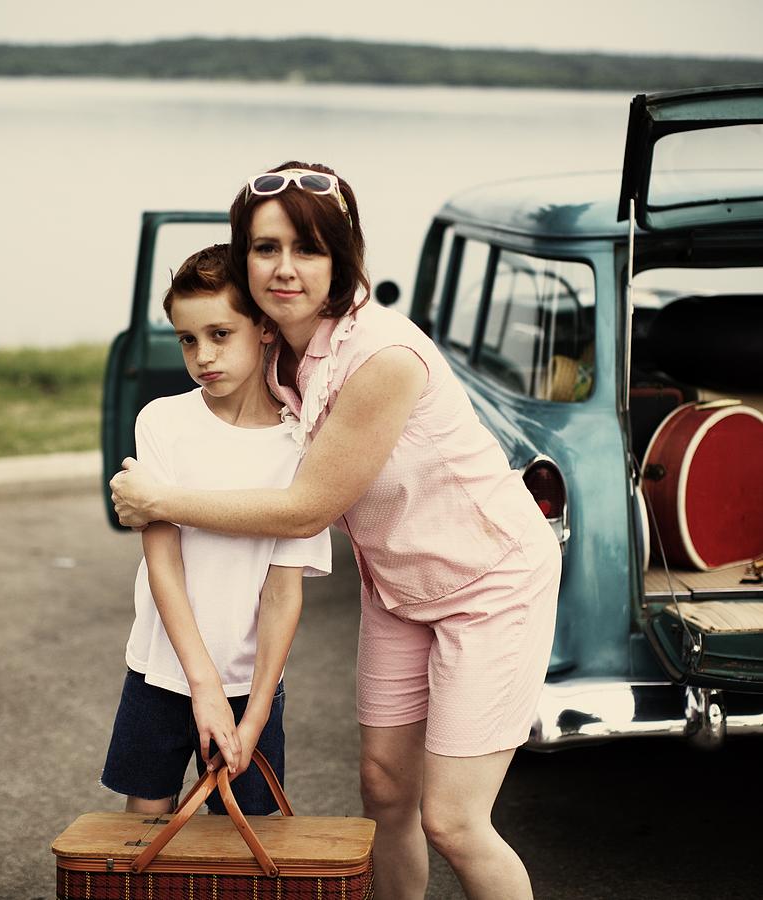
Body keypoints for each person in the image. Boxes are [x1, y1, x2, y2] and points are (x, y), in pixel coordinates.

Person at [110, 163, 560, 900]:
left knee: (454, 819)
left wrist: (162, 498)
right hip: (399, 582)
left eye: (309, 248)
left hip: (491, 581)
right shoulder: (272, 351)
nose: (285, 268)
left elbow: (305, 511)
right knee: (383, 791)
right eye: (264, 247)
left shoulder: (381, 356)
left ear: (343, 258)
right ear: (241, 255)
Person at [100, 243, 331, 818]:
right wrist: (201, 686)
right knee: (146, 833)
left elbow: (283, 592)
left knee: (243, 838)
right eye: (187, 339)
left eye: (220, 334)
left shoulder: (298, 441)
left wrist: (254, 713)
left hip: (251, 683)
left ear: (265, 328)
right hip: (161, 668)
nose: (202, 355)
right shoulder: (162, 421)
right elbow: (164, 563)